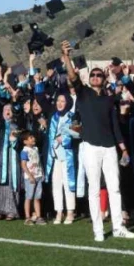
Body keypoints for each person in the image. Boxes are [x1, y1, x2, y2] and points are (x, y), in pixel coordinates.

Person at [62, 40, 134, 242]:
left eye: (98, 75)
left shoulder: (109, 99)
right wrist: (66, 56)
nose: (95, 77)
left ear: (103, 79)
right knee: (94, 190)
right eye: (93, 75)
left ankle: (119, 226)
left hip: (110, 147)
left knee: (115, 188)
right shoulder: (83, 93)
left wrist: (124, 149)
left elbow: (114, 126)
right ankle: (98, 230)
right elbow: (72, 76)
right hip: (90, 147)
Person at [45, 93, 79, 224]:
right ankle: (59, 211)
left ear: (68, 103)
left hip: (67, 155)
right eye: (58, 101)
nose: (59, 103)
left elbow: (77, 134)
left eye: (62, 101)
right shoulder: (53, 117)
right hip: (54, 156)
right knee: (56, 184)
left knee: (68, 183)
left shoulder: (73, 116)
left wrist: (63, 138)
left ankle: (70, 211)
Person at [20, 131, 45, 225]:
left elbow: (39, 162)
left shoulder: (36, 149)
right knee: (29, 197)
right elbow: (23, 165)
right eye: (30, 138)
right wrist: (30, 176)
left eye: (33, 137)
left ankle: (38, 217)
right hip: (30, 178)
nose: (33, 138)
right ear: (25, 141)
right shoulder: (25, 151)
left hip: (38, 176)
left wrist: (42, 172)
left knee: (37, 197)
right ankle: (27, 217)